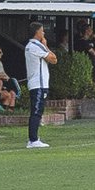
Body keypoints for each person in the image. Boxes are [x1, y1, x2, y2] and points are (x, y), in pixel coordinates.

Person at [25, 21, 57, 149]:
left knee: (38, 111)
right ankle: (33, 140)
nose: (44, 33)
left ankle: (34, 138)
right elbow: (54, 59)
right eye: (42, 31)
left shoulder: (31, 46)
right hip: (38, 83)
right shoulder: (35, 46)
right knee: (36, 111)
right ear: (37, 32)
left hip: (38, 83)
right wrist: (46, 46)